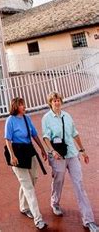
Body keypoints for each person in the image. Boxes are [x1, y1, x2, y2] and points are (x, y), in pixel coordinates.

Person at [42, 92, 96, 231]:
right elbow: (46, 137)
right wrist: (52, 151)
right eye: (54, 101)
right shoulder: (46, 118)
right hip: (58, 156)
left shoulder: (67, 116)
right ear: (50, 103)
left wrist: (82, 150)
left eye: (59, 100)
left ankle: (88, 220)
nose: (57, 102)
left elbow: (75, 133)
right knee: (58, 180)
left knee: (79, 184)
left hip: (72, 154)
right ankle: (55, 203)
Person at [4, 97, 48, 230]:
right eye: (22, 104)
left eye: (24, 104)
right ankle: (38, 219)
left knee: (33, 179)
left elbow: (34, 134)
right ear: (16, 106)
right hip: (17, 154)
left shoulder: (26, 118)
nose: (24, 106)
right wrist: (12, 156)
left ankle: (23, 207)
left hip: (29, 152)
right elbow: (8, 139)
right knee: (28, 187)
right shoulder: (10, 120)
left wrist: (42, 148)